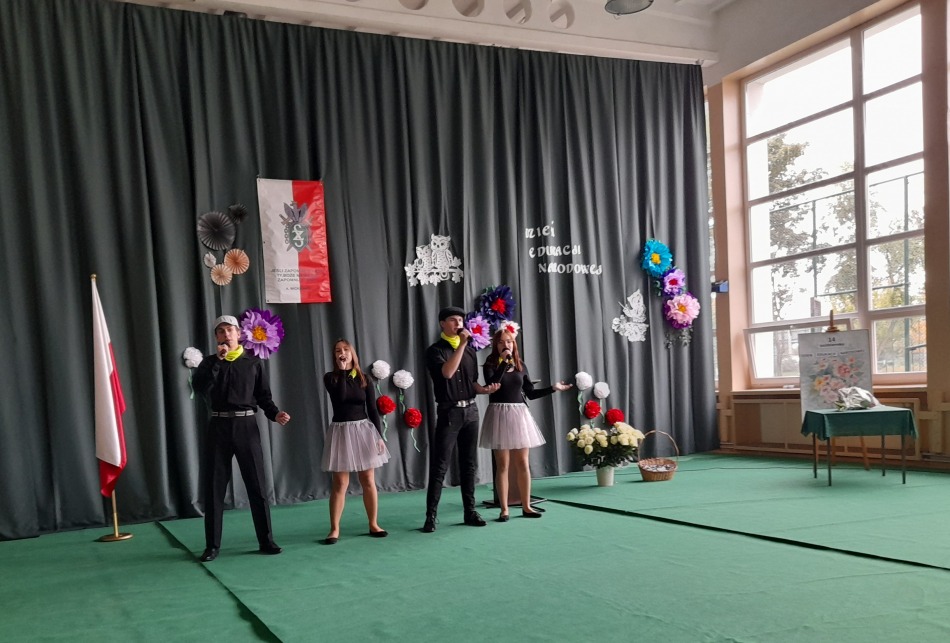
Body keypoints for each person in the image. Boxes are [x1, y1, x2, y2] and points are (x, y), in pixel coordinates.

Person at [192, 315, 291, 562]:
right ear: (216, 337)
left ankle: (266, 541)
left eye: (230, 330)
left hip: (246, 426)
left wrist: (275, 414)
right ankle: (212, 546)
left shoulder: (253, 363)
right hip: (218, 426)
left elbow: (264, 397)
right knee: (214, 488)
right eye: (221, 331)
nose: (226, 335)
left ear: (239, 334)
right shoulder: (209, 363)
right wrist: (218, 362)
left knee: (257, 485)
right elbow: (200, 388)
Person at [422, 307, 500, 533]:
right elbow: (447, 373)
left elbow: (472, 382)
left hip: (471, 411)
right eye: (453, 320)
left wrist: (484, 390)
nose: (458, 324)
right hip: (449, 413)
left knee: (469, 464)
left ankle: (470, 511)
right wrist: (463, 345)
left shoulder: (470, 352)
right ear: (442, 323)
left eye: (460, 320)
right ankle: (431, 516)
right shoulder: (435, 351)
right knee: (440, 465)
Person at [481, 328, 571, 521]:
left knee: (523, 462)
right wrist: (504, 363)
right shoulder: (490, 364)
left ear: (514, 344)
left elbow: (530, 393)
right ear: (495, 345)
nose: (506, 345)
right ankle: (504, 509)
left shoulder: (521, 365)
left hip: (519, 414)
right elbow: (492, 384)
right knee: (502, 465)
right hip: (499, 414)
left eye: (509, 341)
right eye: (501, 342)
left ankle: (526, 506)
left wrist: (553, 388)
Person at [321, 339, 391, 544]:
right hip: (341, 431)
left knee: (368, 480)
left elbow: (372, 409)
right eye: (337, 351)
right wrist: (343, 371)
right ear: (335, 356)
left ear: (353, 353)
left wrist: (379, 436)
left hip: (363, 431)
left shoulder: (364, 378)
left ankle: (373, 524)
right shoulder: (331, 378)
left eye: (345, 350)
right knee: (340, 483)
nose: (342, 353)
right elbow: (341, 398)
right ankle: (334, 529)